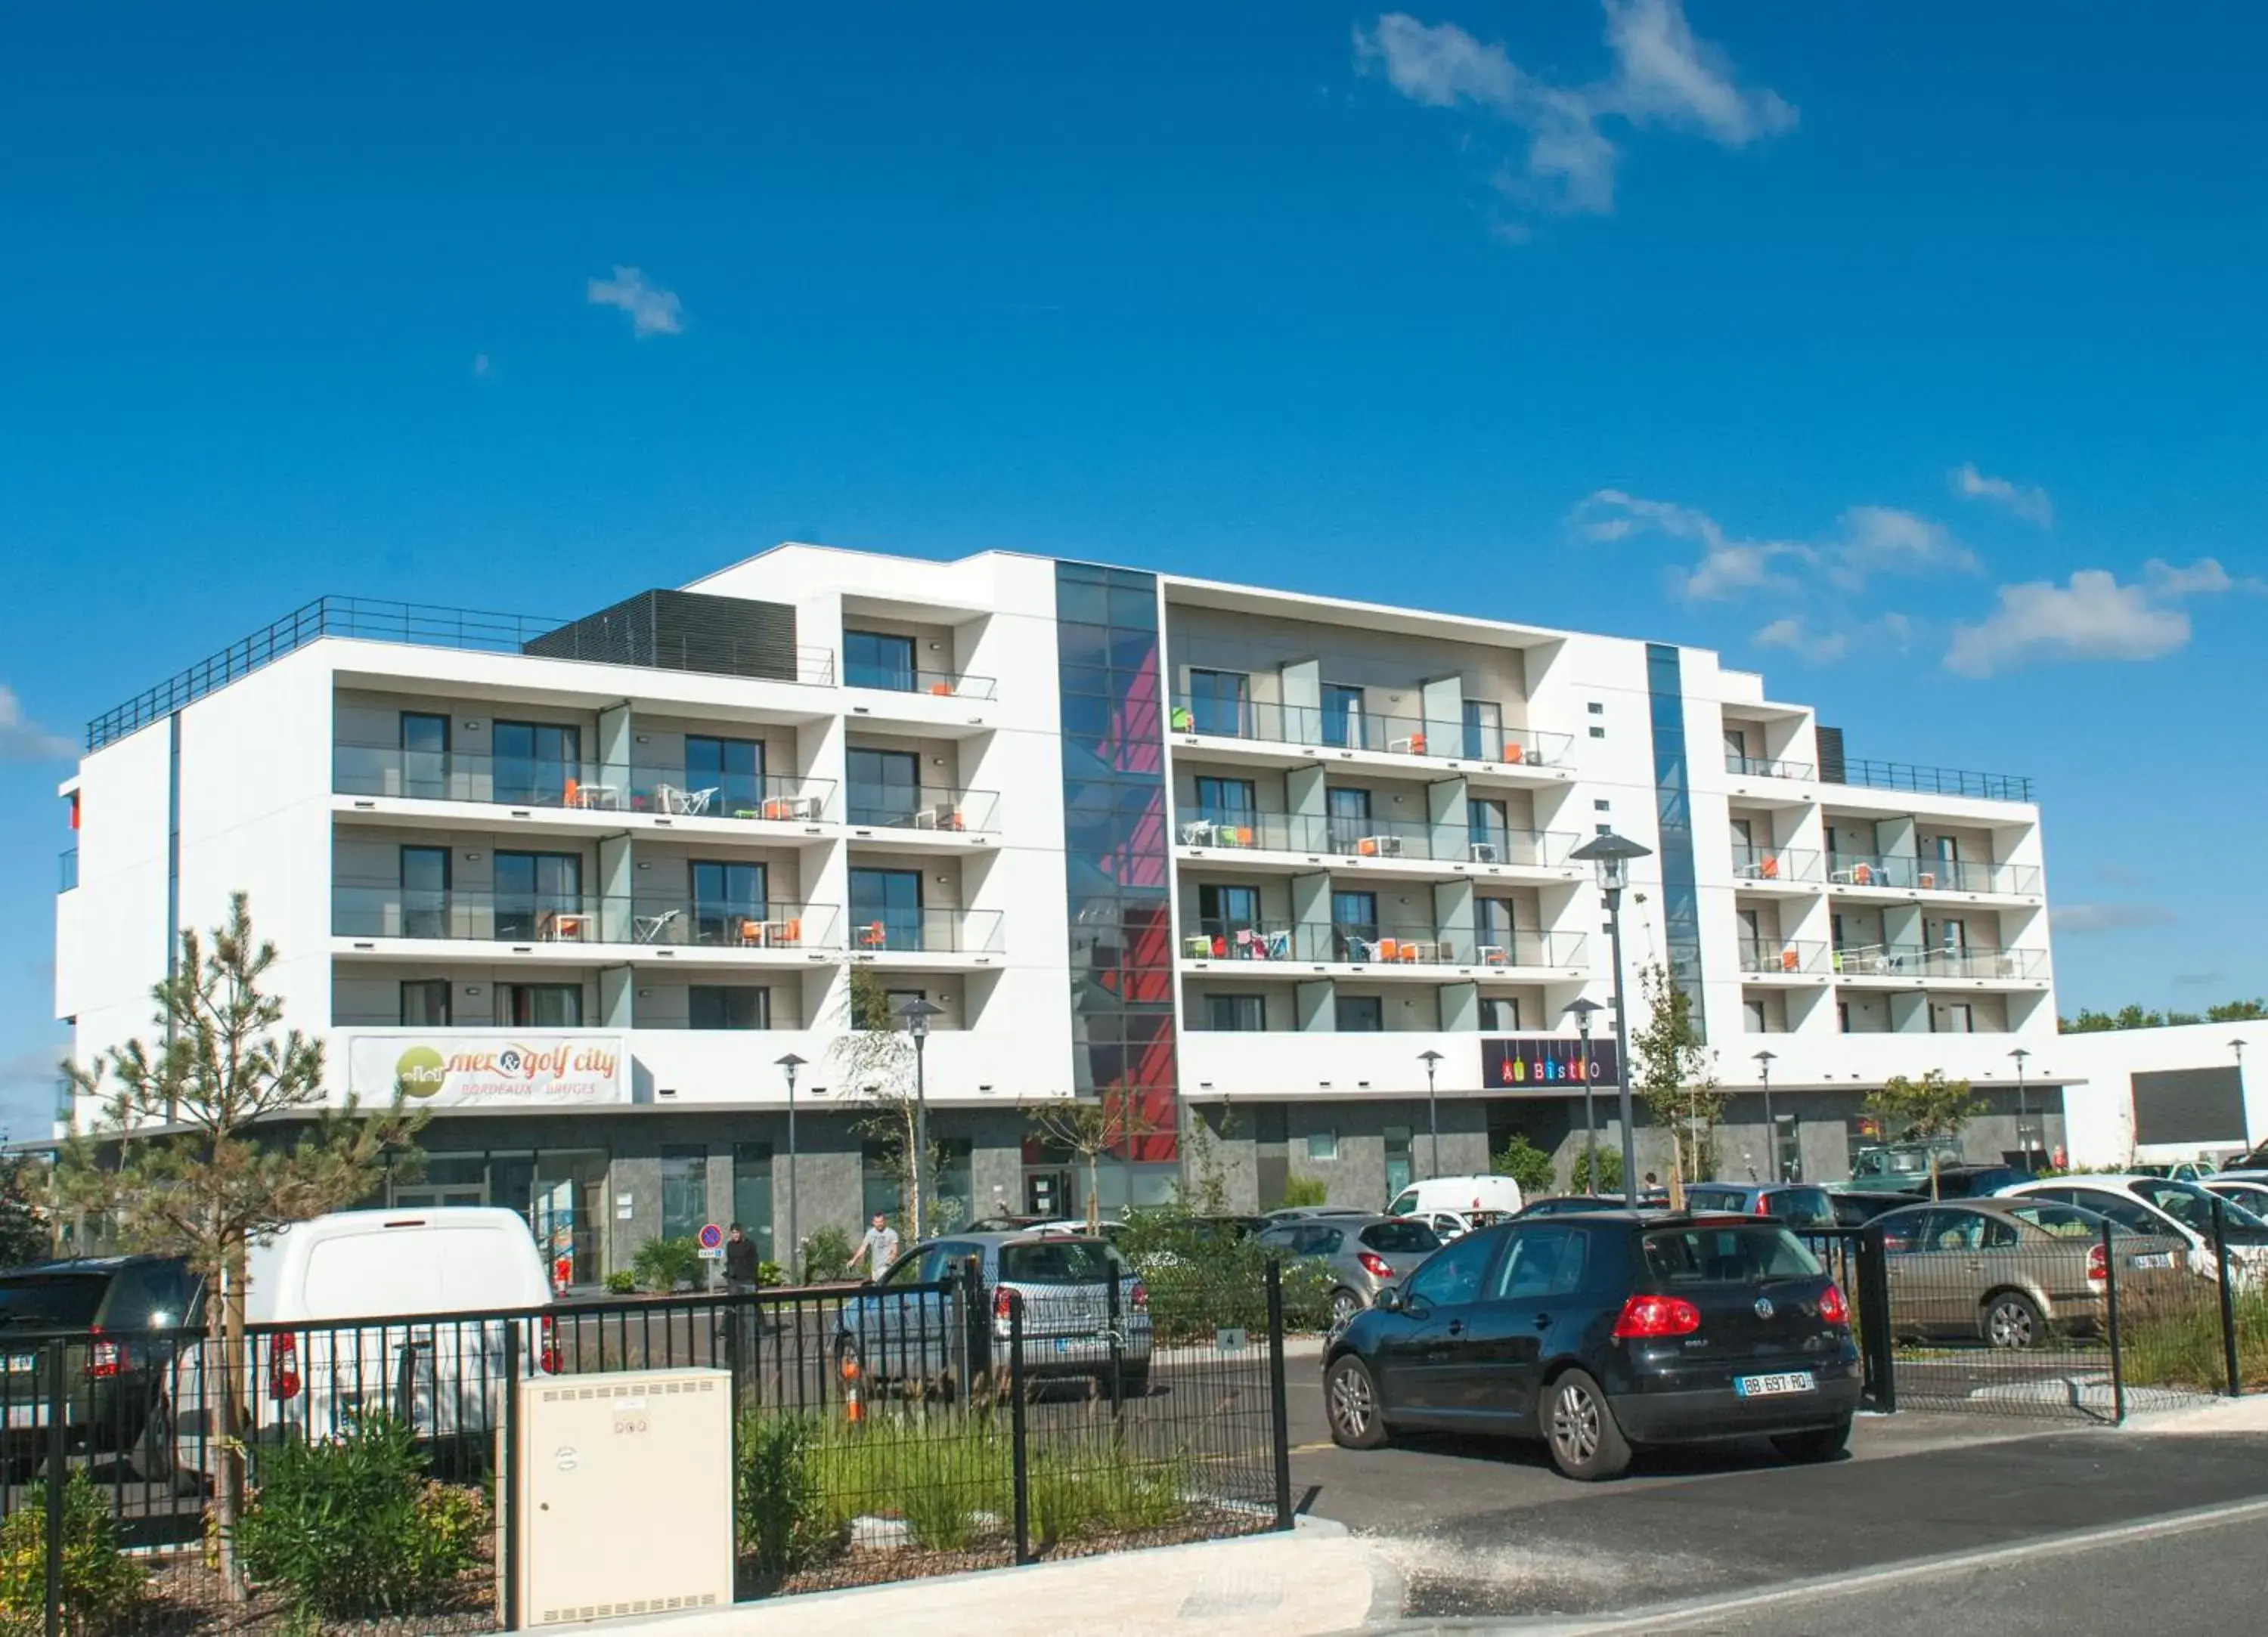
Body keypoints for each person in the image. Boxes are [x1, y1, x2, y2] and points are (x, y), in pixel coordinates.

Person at [856, 1212, 901, 1281]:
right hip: (875, 1268)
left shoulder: (891, 1233)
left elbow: (895, 1251)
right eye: (877, 1222)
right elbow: (863, 1247)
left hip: (885, 1267)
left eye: (881, 1222)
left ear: (884, 1222)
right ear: (873, 1222)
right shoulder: (870, 1233)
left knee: (884, 1287)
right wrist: (854, 1260)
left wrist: (890, 1260)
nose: (879, 1224)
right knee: (877, 1288)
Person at [723, 1221, 760, 1294]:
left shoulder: (749, 1244)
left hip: (747, 1279)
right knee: (734, 1303)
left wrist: (754, 1278)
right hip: (734, 1280)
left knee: (748, 1303)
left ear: (741, 1233)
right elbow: (730, 1261)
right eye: (733, 1233)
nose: (735, 1235)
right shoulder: (730, 1245)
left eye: (737, 1233)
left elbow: (755, 1262)